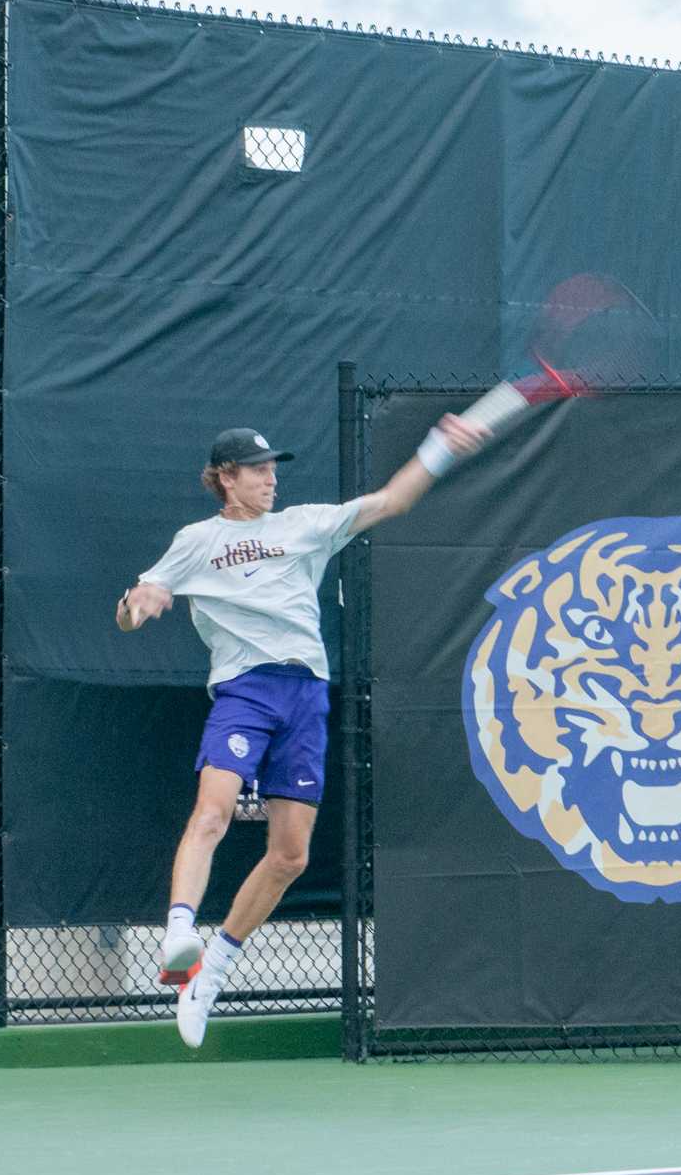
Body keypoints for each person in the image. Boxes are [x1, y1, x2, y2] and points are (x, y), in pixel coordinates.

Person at [117, 415, 487, 1048]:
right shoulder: (197, 540)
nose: (270, 479)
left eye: (273, 469)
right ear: (225, 479)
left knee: (291, 856)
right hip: (244, 691)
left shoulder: (304, 525)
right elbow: (139, 601)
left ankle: (211, 975)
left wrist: (438, 448)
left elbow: (392, 501)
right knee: (215, 811)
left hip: (306, 696)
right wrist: (138, 604)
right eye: (258, 470)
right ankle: (180, 930)